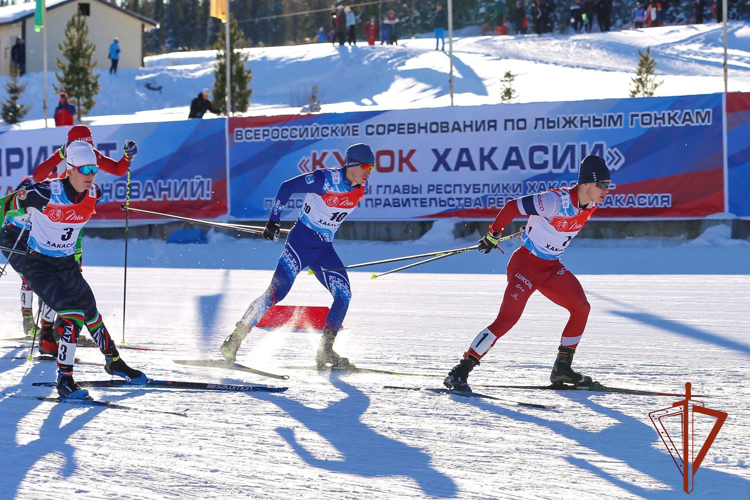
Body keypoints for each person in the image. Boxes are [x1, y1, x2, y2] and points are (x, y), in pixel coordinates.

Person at [443, 155, 612, 392]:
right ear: (586, 184)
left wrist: (535, 228)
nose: (607, 190)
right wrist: (494, 234)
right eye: (602, 185)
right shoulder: (555, 200)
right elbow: (512, 206)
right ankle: (461, 370)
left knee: (581, 308)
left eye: (609, 185)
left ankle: (562, 369)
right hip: (525, 266)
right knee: (507, 319)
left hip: (551, 267)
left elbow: (555, 227)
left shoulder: (591, 203)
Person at [5, 141, 147, 398]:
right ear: (69, 170)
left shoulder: (94, 193)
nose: (91, 175)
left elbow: (78, 224)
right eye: (84, 169)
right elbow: (4, 205)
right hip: (39, 266)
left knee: (91, 313)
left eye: (94, 169)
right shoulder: (44, 193)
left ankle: (113, 361)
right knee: (73, 316)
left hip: (66, 264)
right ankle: (65, 381)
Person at [220, 143, 376, 368]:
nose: (368, 172)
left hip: (324, 248)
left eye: (372, 168)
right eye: (365, 167)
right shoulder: (325, 179)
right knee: (275, 294)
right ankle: (234, 339)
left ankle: (325, 351)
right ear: (351, 165)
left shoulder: (361, 188)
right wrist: (274, 220)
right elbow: (287, 187)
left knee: (344, 295)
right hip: (300, 244)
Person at [25, 125, 137, 355]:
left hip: (74, 229)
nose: (88, 151)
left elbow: (117, 169)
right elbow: (38, 177)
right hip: (54, 221)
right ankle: (47, 332)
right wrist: (60, 154)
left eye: (90, 145)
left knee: (73, 279)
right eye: (83, 145)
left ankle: (63, 327)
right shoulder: (68, 158)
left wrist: (127, 157)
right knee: (54, 280)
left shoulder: (91, 156)